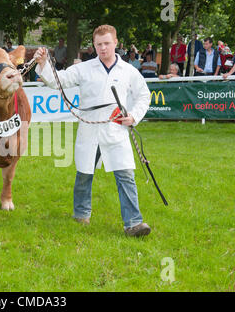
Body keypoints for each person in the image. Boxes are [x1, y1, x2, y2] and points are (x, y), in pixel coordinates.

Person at [34, 24, 152, 237]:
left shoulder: (129, 71)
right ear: (94, 45)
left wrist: (133, 116)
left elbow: (144, 96)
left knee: (125, 175)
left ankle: (133, 223)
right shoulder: (84, 68)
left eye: (107, 43)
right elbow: (58, 81)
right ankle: (81, 214)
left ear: (116, 43)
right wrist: (44, 64)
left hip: (116, 131)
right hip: (90, 129)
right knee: (84, 174)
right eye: (99, 44)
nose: (103, 48)